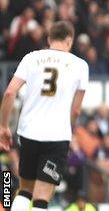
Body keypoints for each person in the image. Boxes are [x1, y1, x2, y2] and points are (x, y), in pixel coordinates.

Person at [0, 21, 88, 211]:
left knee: (24, 191)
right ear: (69, 40)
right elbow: (76, 110)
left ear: (49, 39)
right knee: (41, 200)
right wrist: (69, 128)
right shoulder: (80, 65)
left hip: (29, 132)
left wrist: (3, 126)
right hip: (57, 136)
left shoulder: (32, 58)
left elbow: (9, 92)